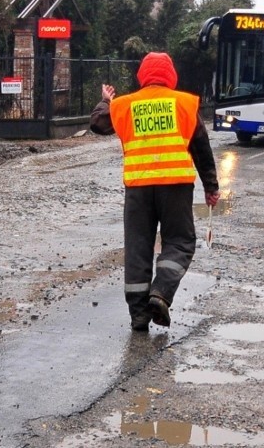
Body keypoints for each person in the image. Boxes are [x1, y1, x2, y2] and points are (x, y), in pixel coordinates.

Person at [90, 52, 220, 332]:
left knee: (138, 248)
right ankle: (160, 292)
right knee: (181, 242)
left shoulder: (125, 104)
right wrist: (211, 187)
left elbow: (97, 123)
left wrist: (107, 100)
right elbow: (201, 148)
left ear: (142, 76)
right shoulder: (184, 103)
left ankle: (139, 316)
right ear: (171, 76)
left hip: (138, 189)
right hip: (176, 187)